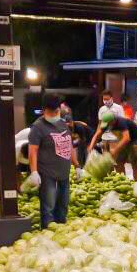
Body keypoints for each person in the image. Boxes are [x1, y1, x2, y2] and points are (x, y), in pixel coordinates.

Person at [28, 94, 79, 228]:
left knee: (63, 205)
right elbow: (32, 151)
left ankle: (61, 228)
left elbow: (70, 145)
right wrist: (34, 172)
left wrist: (77, 166)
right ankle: (47, 231)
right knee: (48, 206)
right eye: (51, 112)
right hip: (47, 173)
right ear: (44, 110)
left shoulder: (63, 124)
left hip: (64, 172)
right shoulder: (37, 127)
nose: (54, 114)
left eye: (56, 112)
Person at [89, 112, 137, 182]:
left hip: (135, 141)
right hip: (123, 140)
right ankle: (123, 181)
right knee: (119, 162)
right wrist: (91, 146)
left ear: (113, 121)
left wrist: (115, 149)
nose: (107, 126)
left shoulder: (121, 123)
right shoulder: (107, 124)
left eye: (108, 124)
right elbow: (97, 135)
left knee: (134, 163)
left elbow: (127, 138)